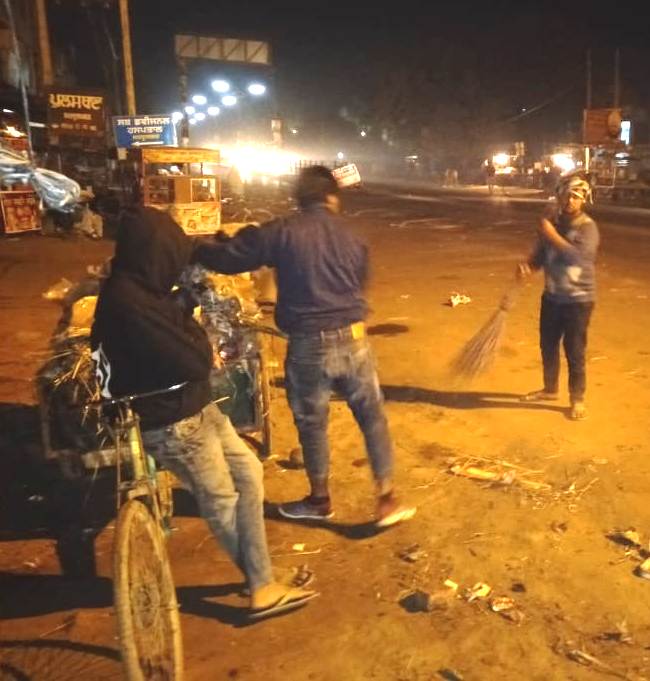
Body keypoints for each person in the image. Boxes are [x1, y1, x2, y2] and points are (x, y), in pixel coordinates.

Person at [90, 206, 317, 620]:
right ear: (154, 251)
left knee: (249, 471)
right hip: (174, 422)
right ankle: (261, 587)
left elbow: (186, 340)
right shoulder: (128, 302)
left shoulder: (142, 288)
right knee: (221, 499)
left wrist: (190, 321)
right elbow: (194, 360)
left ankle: (259, 573)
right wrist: (197, 342)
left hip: (196, 406)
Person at [193, 166, 416, 528]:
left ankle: (320, 500)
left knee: (312, 423)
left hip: (309, 344)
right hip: (354, 338)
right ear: (331, 198)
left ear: (300, 198)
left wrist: (197, 246)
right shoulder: (353, 234)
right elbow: (360, 282)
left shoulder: (284, 231)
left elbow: (231, 258)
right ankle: (387, 498)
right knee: (372, 416)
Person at [517, 172, 599, 420]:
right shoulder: (553, 224)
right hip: (552, 297)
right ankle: (550, 389)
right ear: (560, 196)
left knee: (574, 350)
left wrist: (550, 233)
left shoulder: (587, 227)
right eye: (567, 195)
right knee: (548, 346)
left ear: (583, 199)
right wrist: (528, 267)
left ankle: (577, 399)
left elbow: (578, 257)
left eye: (576, 196)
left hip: (578, 301)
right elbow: (542, 255)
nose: (571, 200)